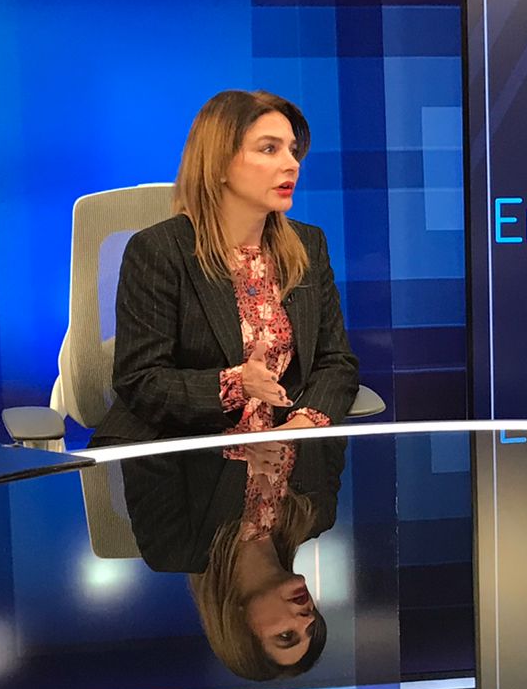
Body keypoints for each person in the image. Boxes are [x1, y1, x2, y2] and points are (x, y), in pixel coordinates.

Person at [90, 90, 360, 447]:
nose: (292, 164)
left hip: (286, 450)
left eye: (292, 150)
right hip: (185, 453)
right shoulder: (159, 250)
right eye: (269, 149)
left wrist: (301, 424)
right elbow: (141, 381)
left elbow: (335, 362)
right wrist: (238, 384)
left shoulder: (309, 245)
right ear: (218, 165)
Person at [121, 436, 348, 680]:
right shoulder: (318, 512)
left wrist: (237, 446)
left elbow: (140, 431)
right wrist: (305, 421)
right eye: (311, 629)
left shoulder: (173, 546)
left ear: (240, 625)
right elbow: (334, 417)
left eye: (286, 636)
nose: (307, 619)